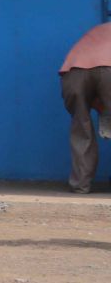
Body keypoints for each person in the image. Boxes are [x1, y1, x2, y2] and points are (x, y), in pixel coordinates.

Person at [60, 22, 111, 193]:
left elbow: (95, 80)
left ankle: (81, 185)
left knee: (81, 127)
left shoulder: (99, 29)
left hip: (74, 70)